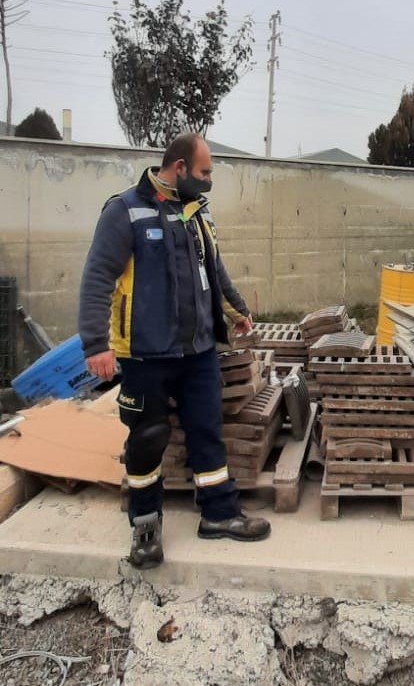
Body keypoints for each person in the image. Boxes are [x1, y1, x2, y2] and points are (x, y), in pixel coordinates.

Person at [79, 132, 271, 569]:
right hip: (144, 355)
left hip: (197, 351)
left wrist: (237, 311)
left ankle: (219, 515)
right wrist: (96, 344)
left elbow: (215, 270)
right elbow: (97, 279)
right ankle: (146, 526)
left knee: (207, 430)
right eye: (204, 173)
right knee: (147, 441)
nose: (209, 182)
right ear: (179, 167)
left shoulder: (197, 214)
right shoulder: (124, 211)